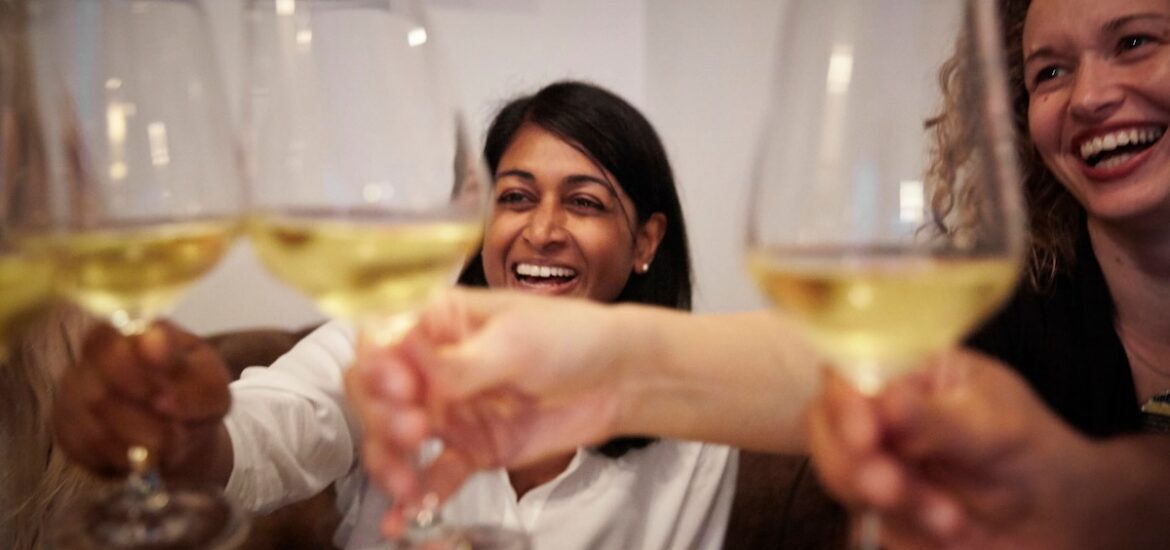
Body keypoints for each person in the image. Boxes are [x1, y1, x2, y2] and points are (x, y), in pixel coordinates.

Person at [352, 0, 1170, 545]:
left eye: (1136, 41)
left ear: (650, 238)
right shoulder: (1017, 304)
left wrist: (1098, 497)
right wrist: (603, 363)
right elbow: (825, 364)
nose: (1089, 96)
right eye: (1049, 71)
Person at [53, 80, 738, 549]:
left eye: (584, 203)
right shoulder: (397, 336)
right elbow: (277, 427)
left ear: (646, 241)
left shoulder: (701, 423)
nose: (542, 230)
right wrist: (181, 427)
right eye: (517, 196)